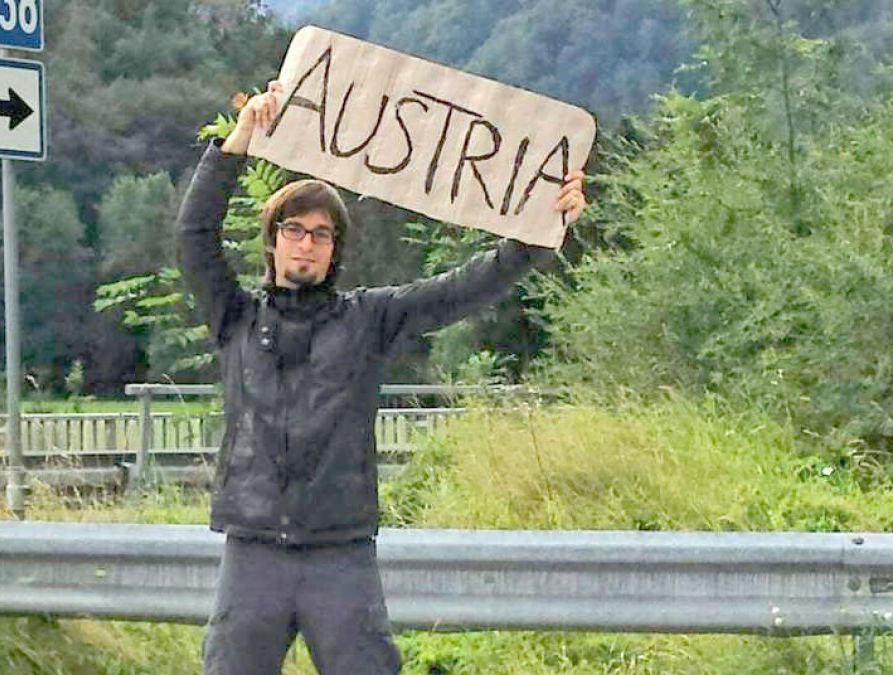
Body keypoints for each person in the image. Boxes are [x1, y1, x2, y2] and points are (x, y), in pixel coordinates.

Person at [178, 81, 587, 675]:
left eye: (322, 233)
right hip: (253, 550)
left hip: (341, 553)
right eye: (294, 229)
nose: (307, 243)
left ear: (334, 250)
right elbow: (194, 237)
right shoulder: (234, 317)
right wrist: (234, 147)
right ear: (271, 243)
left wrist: (539, 233)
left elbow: (464, 289)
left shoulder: (368, 319)